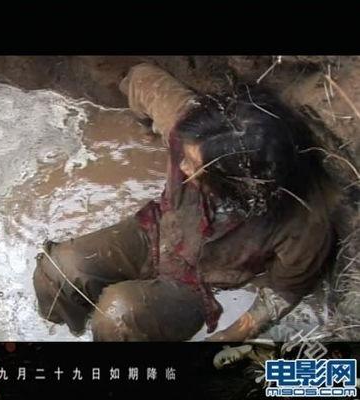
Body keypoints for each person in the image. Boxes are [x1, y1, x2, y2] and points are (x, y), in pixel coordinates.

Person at [33, 63, 335, 341]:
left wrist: (232, 334)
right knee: (57, 271)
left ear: (237, 185)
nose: (183, 167)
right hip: (157, 229)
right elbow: (142, 80)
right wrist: (141, 122)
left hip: (201, 282)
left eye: (195, 166)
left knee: (119, 319)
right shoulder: (193, 125)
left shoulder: (303, 222)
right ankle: (68, 333)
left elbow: (283, 291)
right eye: (185, 156)